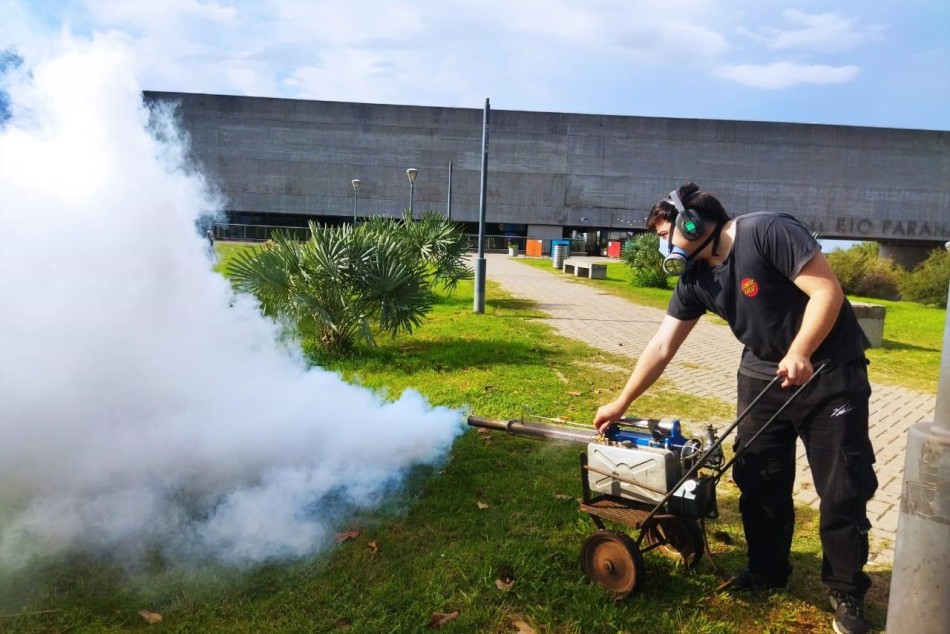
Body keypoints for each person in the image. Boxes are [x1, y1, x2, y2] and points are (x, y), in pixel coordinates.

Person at [593, 183, 877, 634]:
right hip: (763, 374)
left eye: (668, 233)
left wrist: (802, 350)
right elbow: (663, 345)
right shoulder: (696, 280)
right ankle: (767, 571)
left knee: (843, 487)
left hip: (830, 374)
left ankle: (845, 592)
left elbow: (828, 294)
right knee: (760, 477)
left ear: (694, 223)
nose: (664, 245)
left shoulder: (767, 231)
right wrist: (621, 401)